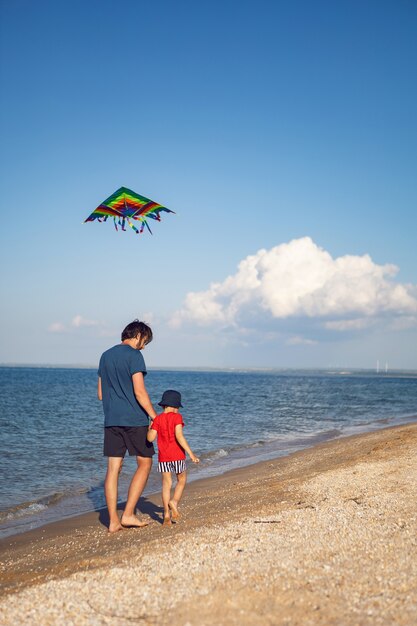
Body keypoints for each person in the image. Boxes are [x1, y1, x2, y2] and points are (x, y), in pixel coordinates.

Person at [97, 320, 157, 533]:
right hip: (134, 420)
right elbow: (139, 392)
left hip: (111, 419)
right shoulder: (134, 356)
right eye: (145, 341)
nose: (144, 346)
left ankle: (113, 521)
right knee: (145, 463)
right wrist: (153, 415)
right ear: (138, 335)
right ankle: (128, 514)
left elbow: (101, 394)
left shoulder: (105, 355)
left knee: (113, 469)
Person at [147, 389, 199, 526]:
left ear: (164, 405)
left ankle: (166, 514)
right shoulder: (177, 417)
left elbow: (150, 438)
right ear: (175, 406)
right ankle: (174, 501)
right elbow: (179, 436)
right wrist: (191, 453)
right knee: (181, 479)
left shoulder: (157, 419)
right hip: (177, 455)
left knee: (166, 484)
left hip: (164, 457)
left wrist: (150, 426)